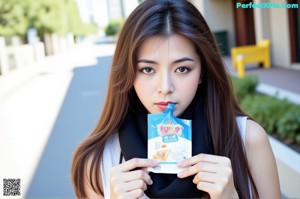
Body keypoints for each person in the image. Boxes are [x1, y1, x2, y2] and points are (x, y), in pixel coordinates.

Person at [71, 0, 281, 198]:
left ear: (202, 72)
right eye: (147, 69)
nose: (165, 88)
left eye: (182, 69)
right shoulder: (97, 161)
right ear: (128, 73)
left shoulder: (247, 140)